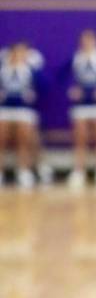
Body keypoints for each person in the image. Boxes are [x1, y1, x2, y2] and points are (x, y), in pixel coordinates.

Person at [66, 29, 96, 190]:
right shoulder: (75, 59)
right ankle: (79, 171)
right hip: (81, 105)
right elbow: (61, 77)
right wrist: (71, 89)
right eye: (84, 41)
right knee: (80, 138)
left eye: (90, 41)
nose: (87, 44)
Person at [0, 41, 43, 188]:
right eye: (16, 52)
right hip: (4, 110)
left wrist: (34, 93)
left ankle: (23, 170)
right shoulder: (3, 69)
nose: (19, 55)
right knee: (2, 138)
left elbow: (44, 86)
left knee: (23, 139)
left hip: (24, 110)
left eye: (22, 52)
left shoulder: (31, 70)